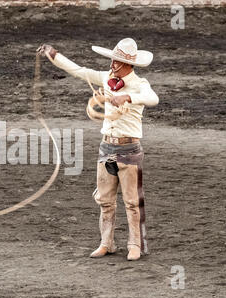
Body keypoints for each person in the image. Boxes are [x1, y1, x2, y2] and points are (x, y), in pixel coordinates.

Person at [37, 38, 159, 261]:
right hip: (106, 146)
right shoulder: (106, 78)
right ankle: (106, 242)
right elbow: (79, 71)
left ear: (127, 64)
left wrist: (128, 96)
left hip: (129, 148)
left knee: (132, 201)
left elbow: (153, 99)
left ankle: (135, 244)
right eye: (113, 59)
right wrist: (53, 54)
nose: (112, 64)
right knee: (105, 199)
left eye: (117, 61)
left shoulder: (140, 84)